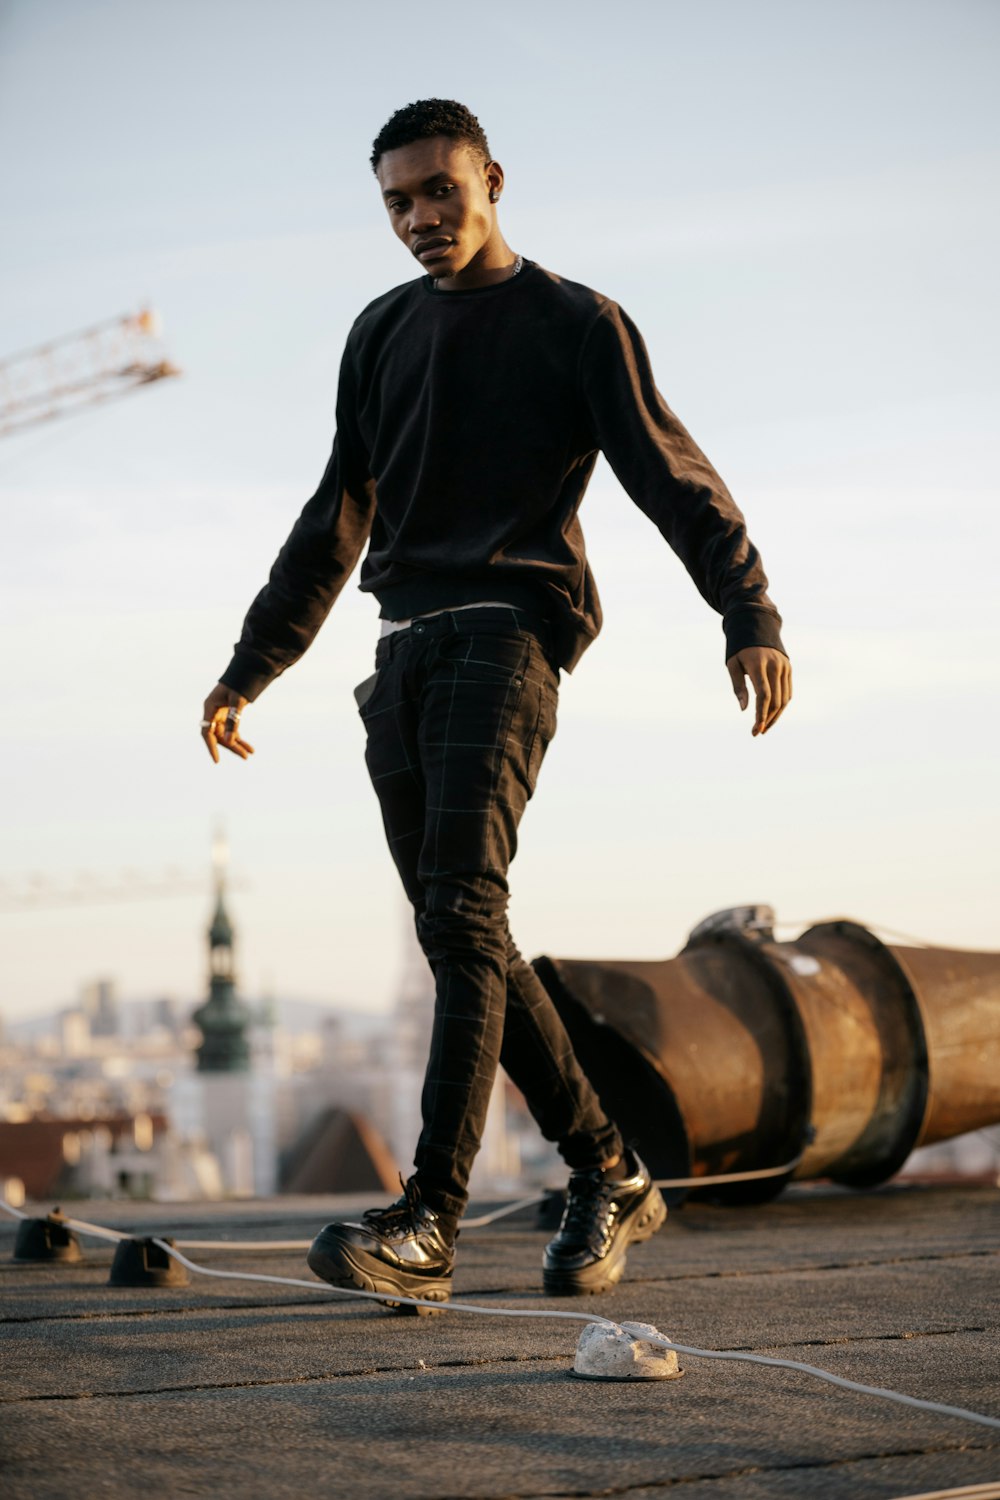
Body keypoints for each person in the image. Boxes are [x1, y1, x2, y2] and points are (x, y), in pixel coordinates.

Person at [201, 99, 792, 1313]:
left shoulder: (576, 325)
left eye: (439, 192)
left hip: (506, 640)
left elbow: (673, 479)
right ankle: (608, 1169)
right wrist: (253, 664)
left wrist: (750, 615)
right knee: (460, 931)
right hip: (400, 652)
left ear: (493, 180)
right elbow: (334, 519)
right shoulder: (379, 334)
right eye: (396, 203)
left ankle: (429, 1218)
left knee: (465, 912)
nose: (420, 218)